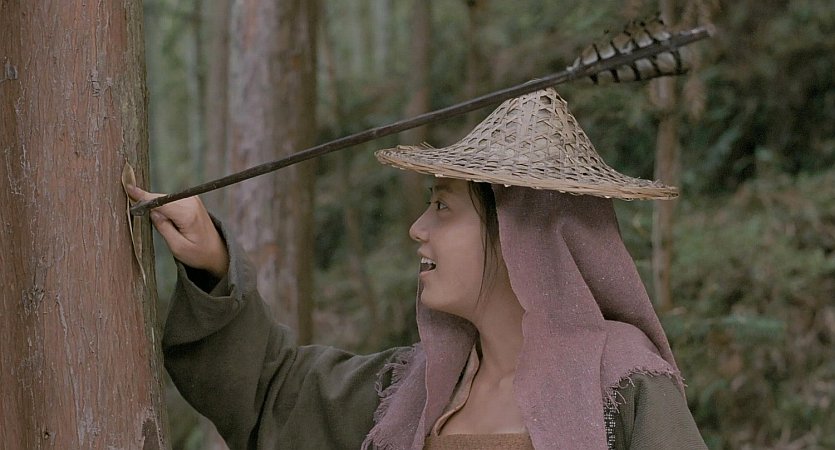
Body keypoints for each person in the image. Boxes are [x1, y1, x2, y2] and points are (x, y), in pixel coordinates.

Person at [128, 88, 707, 449]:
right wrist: (213, 263)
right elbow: (270, 395)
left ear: (519, 234)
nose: (418, 228)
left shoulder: (625, 383)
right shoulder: (412, 390)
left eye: (443, 207)